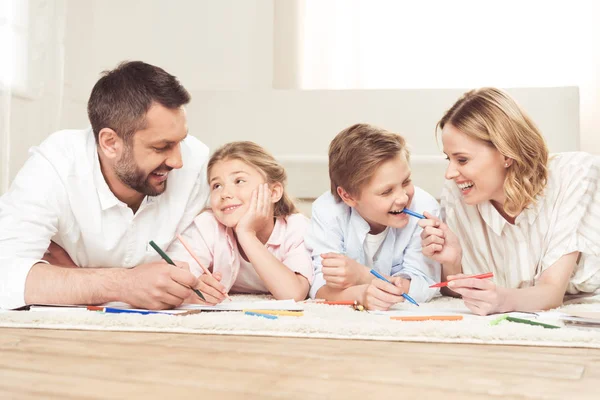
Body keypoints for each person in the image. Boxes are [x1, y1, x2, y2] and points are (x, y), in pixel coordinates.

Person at [0, 61, 209, 310]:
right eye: (161, 147)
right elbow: (6, 275)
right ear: (110, 143)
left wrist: (68, 279)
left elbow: (185, 267)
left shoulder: (195, 161)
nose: (177, 161)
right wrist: (123, 284)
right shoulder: (55, 165)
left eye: (180, 142)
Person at [419, 87, 600, 315]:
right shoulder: (458, 192)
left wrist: (502, 300)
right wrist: (452, 263)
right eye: (449, 159)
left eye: (462, 159)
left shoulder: (573, 174)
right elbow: (460, 292)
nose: (450, 173)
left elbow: (551, 293)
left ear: (506, 154)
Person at [304, 123, 441, 310]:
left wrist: (363, 276)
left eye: (406, 181)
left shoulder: (425, 208)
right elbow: (320, 287)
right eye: (386, 192)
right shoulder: (328, 211)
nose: (403, 198)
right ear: (348, 196)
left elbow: (425, 284)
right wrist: (360, 295)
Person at [169, 141, 313, 303]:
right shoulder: (208, 225)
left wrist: (246, 234)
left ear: (273, 192)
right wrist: (195, 287)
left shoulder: (296, 228)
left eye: (239, 181)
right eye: (217, 185)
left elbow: (293, 294)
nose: (225, 193)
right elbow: (175, 277)